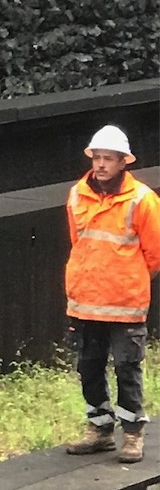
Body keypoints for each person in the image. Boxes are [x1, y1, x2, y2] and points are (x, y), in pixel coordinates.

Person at [65, 126, 160, 463]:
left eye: (109, 159)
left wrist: (127, 279)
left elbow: (155, 253)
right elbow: (79, 242)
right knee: (88, 366)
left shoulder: (142, 199)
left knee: (126, 367)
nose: (101, 164)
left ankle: (132, 434)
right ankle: (100, 429)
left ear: (123, 162)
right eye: (97, 157)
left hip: (125, 304)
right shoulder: (78, 194)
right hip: (85, 301)